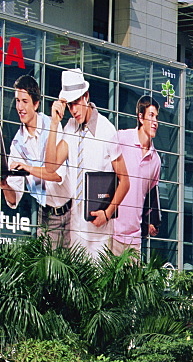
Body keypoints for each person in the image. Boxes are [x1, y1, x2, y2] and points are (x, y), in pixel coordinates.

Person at [44, 67, 130, 257]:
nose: (73, 110)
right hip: (76, 228)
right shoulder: (69, 127)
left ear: (86, 96)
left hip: (100, 230)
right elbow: (51, 167)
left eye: (76, 103)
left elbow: (125, 181)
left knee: (98, 285)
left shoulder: (107, 131)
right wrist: (53, 124)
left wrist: (107, 214)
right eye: (69, 105)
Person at [0, 73, 70, 245]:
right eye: (17, 100)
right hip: (45, 215)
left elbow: (57, 174)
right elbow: (13, 198)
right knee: (47, 271)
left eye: (24, 101)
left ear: (36, 103)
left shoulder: (53, 126)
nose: (20, 107)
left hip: (71, 211)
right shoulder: (17, 144)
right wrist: (4, 185)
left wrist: (28, 168)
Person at [112, 95, 161, 255]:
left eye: (157, 117)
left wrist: (147, 222)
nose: (155, 122)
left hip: (134, 239)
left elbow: (148, 197)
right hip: (110, 232)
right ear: (140, 117)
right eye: (151, 116)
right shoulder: (121, 138)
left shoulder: (156, 160)